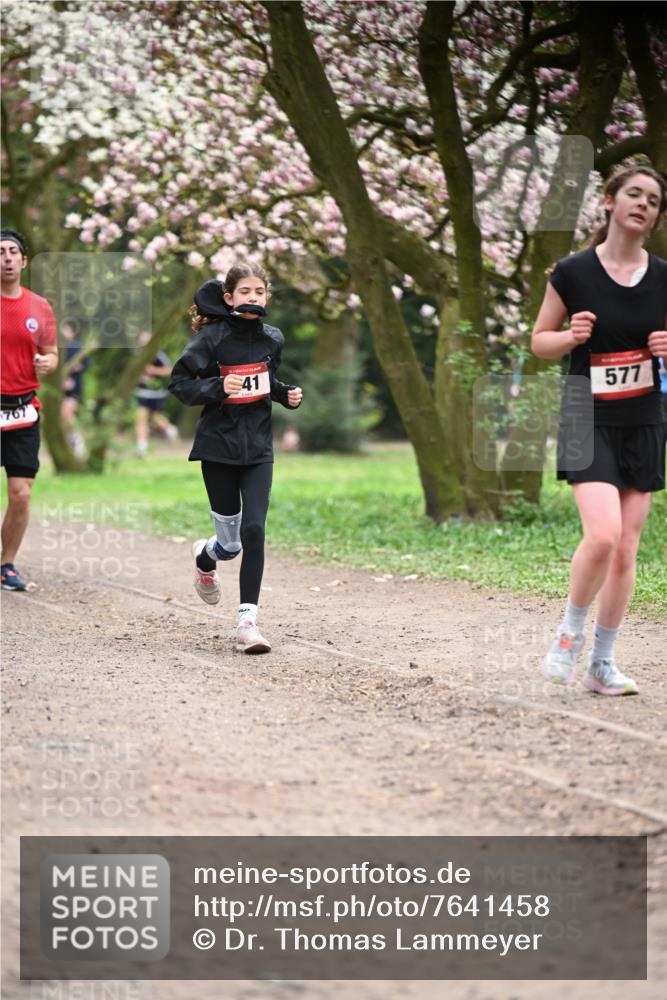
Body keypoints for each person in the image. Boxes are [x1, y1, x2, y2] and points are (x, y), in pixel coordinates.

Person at [532, 164, 667, 695]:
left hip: (644, 419)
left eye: (653, 200)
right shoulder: (573, 272)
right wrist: (568, 339)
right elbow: (539, 339)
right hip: (586, 416)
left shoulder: (663, 277)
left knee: (627, 548)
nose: (643, 204)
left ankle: (602, 665)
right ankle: (569, 632)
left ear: (655, 217)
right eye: (633, 194)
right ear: (609, 202)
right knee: (604, 535)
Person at [169, 262, 303, 653]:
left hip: (259, 449)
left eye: (259, 292)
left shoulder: (272, 338)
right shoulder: (210, 338)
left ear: (266, 298)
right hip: (218, 447)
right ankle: (206, 555)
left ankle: (247, 622)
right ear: (229, 298)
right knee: (230, 544)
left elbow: (265, 380)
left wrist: (285, 394)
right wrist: (217, 386)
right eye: (245, 292)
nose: (253, 298)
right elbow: (179, 384)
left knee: (255, 531)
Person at [1, 229, 58, 591]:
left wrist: (48, 362)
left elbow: (51, 352)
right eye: (0, 252)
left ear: (24, 260)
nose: (6, 258)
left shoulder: (40, 306)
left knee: (21, 493)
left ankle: (6, 564)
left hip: (22, 409)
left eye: (12, 252)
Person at [134, 330, 179, 455]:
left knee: (156, 419)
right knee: (140, 418)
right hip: (141, 393)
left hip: (156, 394)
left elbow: (169, 370)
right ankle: (142, 448)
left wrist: (153, 371)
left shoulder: (159, 355)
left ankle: (170, 429)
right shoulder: (137, 355)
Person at [60, 321, 88, 458]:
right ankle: (70, 447)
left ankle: (79, 442)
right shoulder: (58, 348)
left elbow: (83, 365)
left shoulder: (77, 347)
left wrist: (70, 376)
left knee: (68, 414)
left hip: (74, 387)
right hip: (60, 388)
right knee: (63, 418)